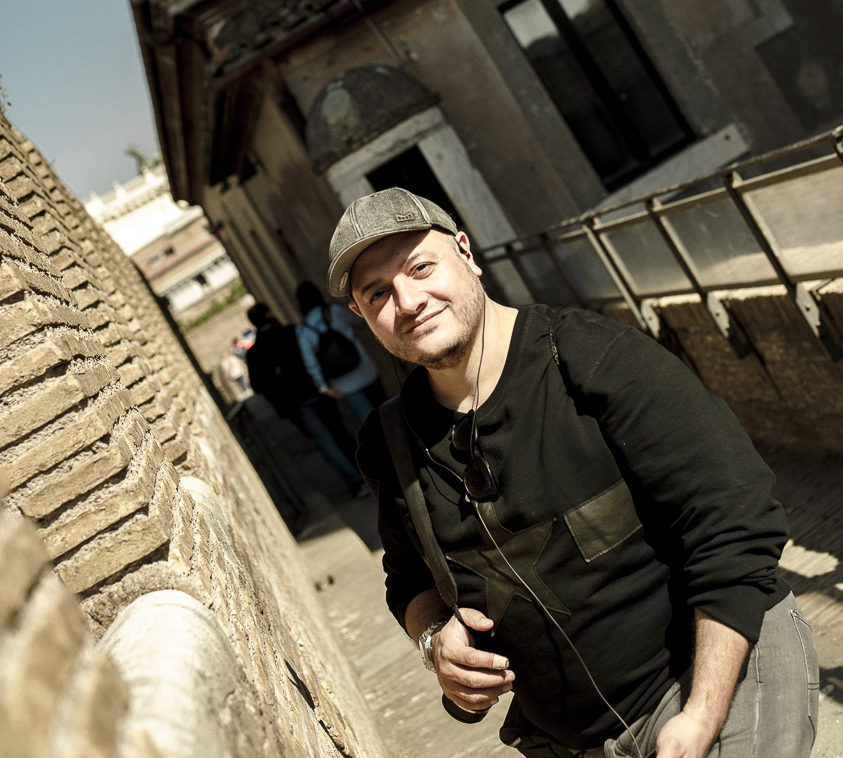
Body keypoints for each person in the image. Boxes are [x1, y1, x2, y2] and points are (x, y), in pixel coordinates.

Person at [325, 187, 818, 758]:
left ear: (466, 253)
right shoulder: (389, 444)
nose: (407, 301)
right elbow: (409, 579)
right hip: (567, 743)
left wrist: (701, 716)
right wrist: (434, 640)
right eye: (378, 292)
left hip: (717, 676)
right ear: (362, 315)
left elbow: (735, 521)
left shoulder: (589, 357)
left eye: (421, 267)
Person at [245, 302, 367, 497]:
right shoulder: (293, 332)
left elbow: (258, 385)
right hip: (319, 392)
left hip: (297, 405)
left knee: (326, 442)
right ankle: (367, 474)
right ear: (269, 313)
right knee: (340, 433)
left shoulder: (256, 352)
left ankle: (358, 482)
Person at [295, 282, 385, 427]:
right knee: (389, 410)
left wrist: (323, 387)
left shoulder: (303, 330)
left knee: (369, 421)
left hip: (342, 385)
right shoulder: (334, 311)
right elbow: (360, 322)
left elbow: (310, 361)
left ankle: (387, 448)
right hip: (365, 370)